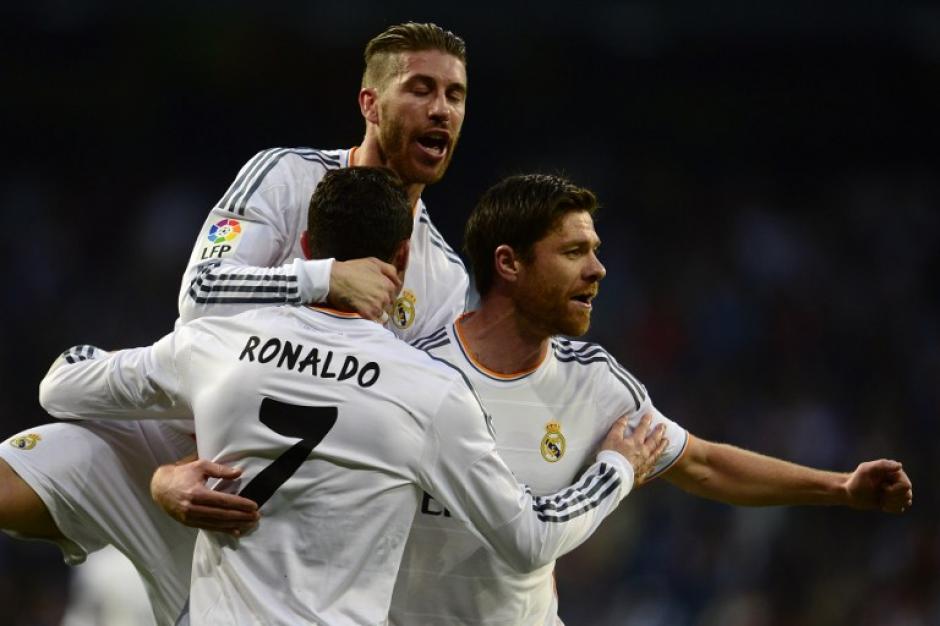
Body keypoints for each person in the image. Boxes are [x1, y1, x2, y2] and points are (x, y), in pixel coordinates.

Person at [39, 167, 668, 625]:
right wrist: (616, 467)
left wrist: (161, 477)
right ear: (402, 255)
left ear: (308, 247)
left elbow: (62, 385)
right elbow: (529, 539)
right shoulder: (428, 387)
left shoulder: (218, 341)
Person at [0, 22, 473, 624]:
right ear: (370, 104)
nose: (440, 110)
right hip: (168, 445)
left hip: (270, 522)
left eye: (454, 96)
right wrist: (322, 277)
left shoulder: (445, 281)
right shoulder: (286, 176)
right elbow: (199, 293)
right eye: (421, 89)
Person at [382, 174, 913, 625]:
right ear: (509, 263)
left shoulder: (594, 384)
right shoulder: (415, 375)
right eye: (573, 253)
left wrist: (841, 487)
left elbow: (704, 465)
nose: (598, 269)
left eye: (595, 251)